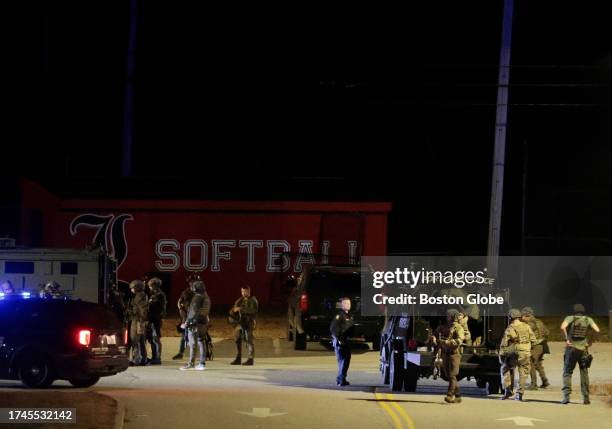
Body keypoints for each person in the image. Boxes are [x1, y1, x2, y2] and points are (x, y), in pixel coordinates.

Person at [560, 303, 600, 405]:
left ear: (574, 311)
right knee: (584, 373)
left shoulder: (570, 318)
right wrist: (591, 341)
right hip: (583, 350)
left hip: (572, 349)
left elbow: (562, 327)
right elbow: (597, 330)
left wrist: (567, 339)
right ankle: (586, 397)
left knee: (567, 372)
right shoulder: (588, 319)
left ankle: (566, 396)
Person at [499, 308, 536, 401]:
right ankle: (519, 394)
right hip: (525, 353)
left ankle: (507, 391)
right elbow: (534, 341)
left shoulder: (510, 328)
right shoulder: (527, 326)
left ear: (510, 317)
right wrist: (527, 349)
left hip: (514, 352)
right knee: (523, 373)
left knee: (505, 368)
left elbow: (504, 344)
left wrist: (502, 355)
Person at [431, 309, 465, 403]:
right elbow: (435, 334)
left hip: (454, 354)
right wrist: (434, 338)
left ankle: (450, 395)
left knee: (452, 375)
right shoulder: (443, 327)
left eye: (449, 316)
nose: (447, 317)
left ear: (453, 317)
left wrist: (447, 342)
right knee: (448, 375)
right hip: (445, 354)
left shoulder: (458, 328)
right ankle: (458, 396)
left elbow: (459, 340)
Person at [180, 280, 211, 371]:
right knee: (202, 342)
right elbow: (204, 311)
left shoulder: (197, 297)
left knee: (193, 344)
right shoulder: (206, 297)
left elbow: (193, 312)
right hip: (203, 322)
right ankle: (202, 363)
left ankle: (191, 363)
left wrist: (187, 323)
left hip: (195, 324)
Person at [521, 306, 550, 390]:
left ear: (528, 315)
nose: (522, 317)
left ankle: (534, 384)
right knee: (538, 364)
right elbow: (547, 332)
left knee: (531, 364)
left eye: (523, 316)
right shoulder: (539, 321)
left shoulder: (530, 324)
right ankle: (545, 381)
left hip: (535, 346)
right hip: (542, 345)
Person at [230, 285, 258, 365]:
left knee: (249, 340)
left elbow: (253, 310)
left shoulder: (253, 300)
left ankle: (250, 359)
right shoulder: (240, 300)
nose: (243, 293)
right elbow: (234, 307)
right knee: (237, 339)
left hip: (249, 322)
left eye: (245, 291)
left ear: (249, 291)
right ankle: (238, 358)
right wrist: (233, 310)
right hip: (240, 322)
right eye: (242, 291)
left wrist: (240, 309)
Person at [127, 280, 149, 366]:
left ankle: (136, 360)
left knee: (134, 340)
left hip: (137, 321)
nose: (131, 289)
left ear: (137, 288)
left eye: (133, 287)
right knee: (141, 341)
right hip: (140, 321)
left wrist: (140, 320)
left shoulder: (139, 297)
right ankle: (143, 359)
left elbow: (142, 310)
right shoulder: (142, 296)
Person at [146, 277, 167, 365]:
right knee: (152, 338)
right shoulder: (156, 294)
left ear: (154, 286)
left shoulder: (158, 295)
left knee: (155, 338)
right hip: (154, 318)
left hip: (155, 319)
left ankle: (157, 358)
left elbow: (149, 304)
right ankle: (155, 356)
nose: (149, 287)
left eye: (150, 286)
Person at [173, 283, 195, 360]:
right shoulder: (185, 296)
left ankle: (198, 355)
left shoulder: (198, 296)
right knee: (184, 337)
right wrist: (180, 308)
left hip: (192, 319)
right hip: (186, 319)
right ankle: (181, 353)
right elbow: (180, 302)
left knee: (195, 339)